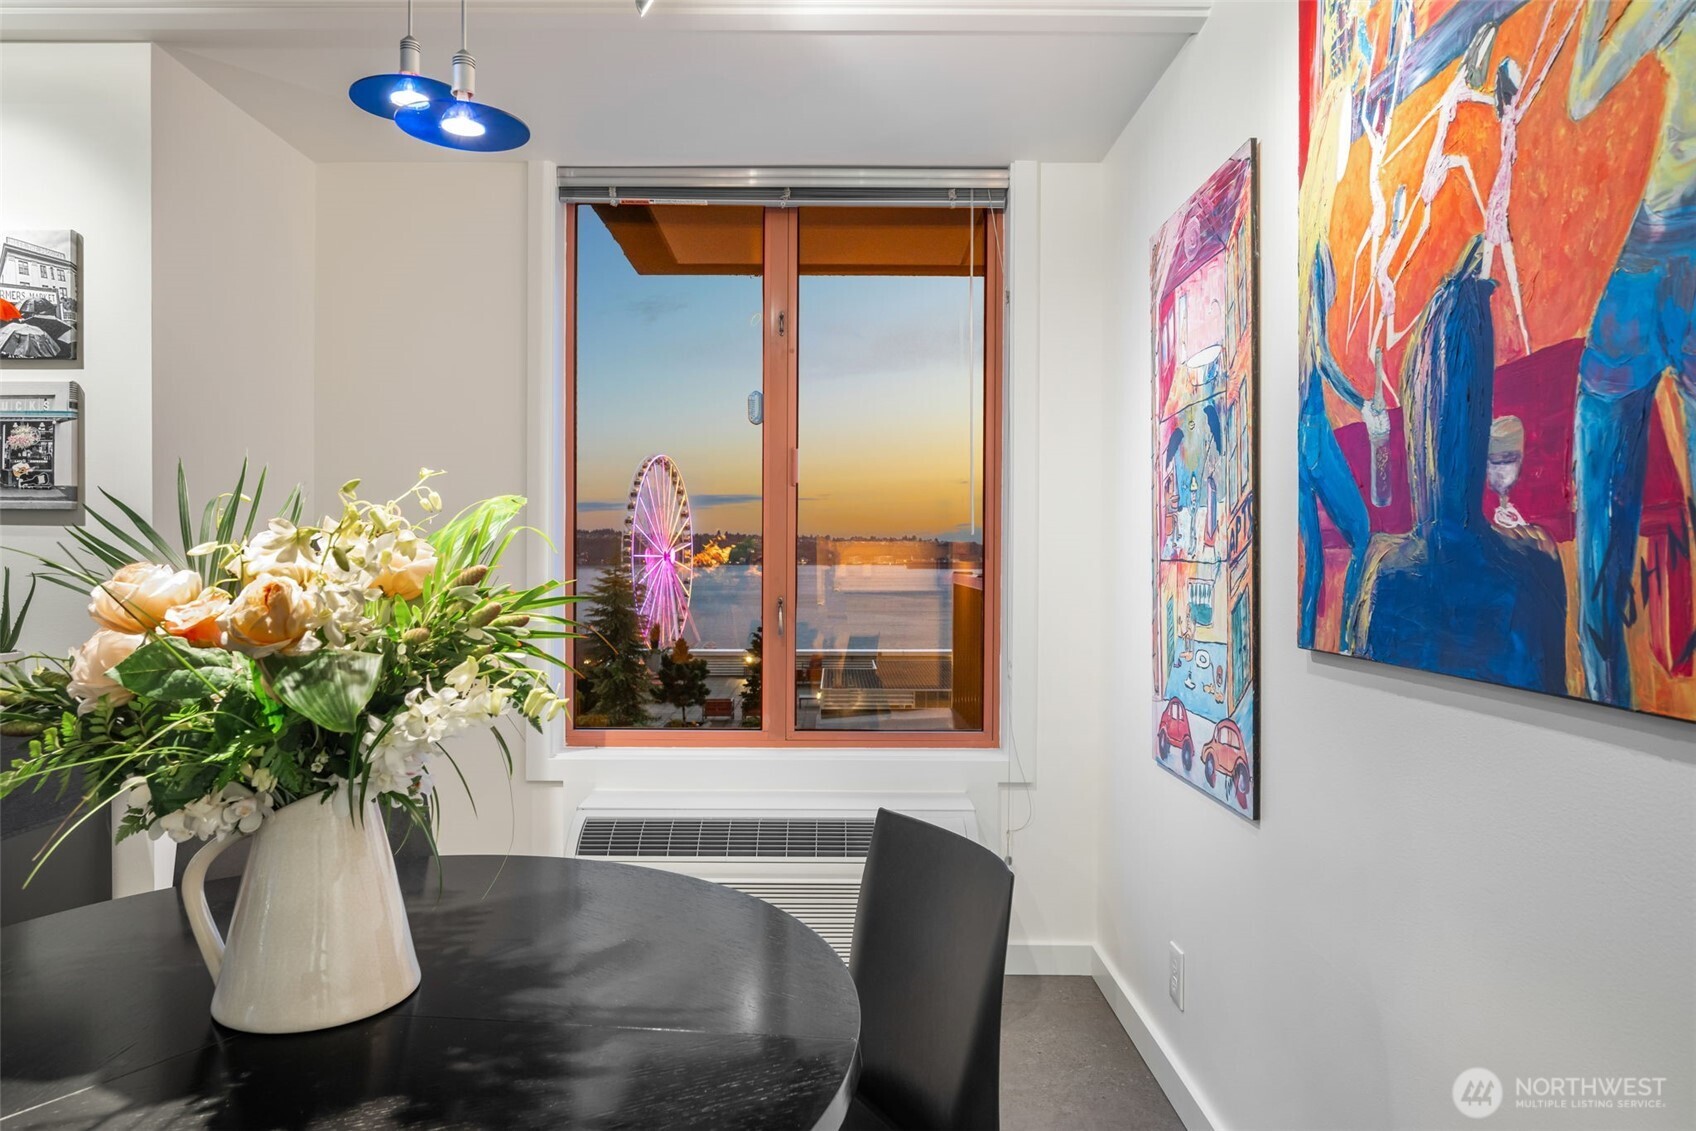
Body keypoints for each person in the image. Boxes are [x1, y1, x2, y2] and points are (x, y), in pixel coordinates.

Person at [1568, 0, 1696, 707]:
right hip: (1668, 263)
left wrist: (1591, 14)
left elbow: (1583, 95)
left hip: (1660, 257)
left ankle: (1603, 693)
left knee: (1599, 479)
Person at [1299, 243, 1381, 653]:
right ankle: (1350, 639)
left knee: (1313, 561)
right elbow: (1326, 361)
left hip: (1294, 447)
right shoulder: (1309, 292)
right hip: (1313, 435)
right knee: (1363, 532)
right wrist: (1364, 404)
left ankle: (1306, 641)